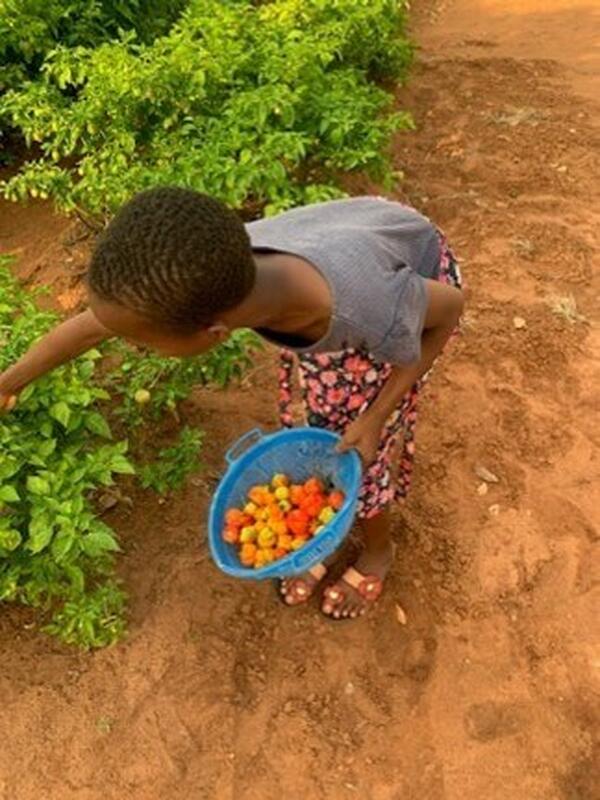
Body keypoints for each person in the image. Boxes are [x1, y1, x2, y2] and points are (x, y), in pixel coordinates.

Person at [0, 187, 463, 619]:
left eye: (145, 343)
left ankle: (378, 549)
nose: (138, 346)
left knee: (361, 451)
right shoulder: (202, 267)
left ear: (213, 334)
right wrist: (10, 381)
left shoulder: (359, 307)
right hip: (357, 251)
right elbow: (94, 324)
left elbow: (449, 312)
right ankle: (324, 524)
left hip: (411, 291)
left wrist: (377, 415)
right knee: (322, 420)